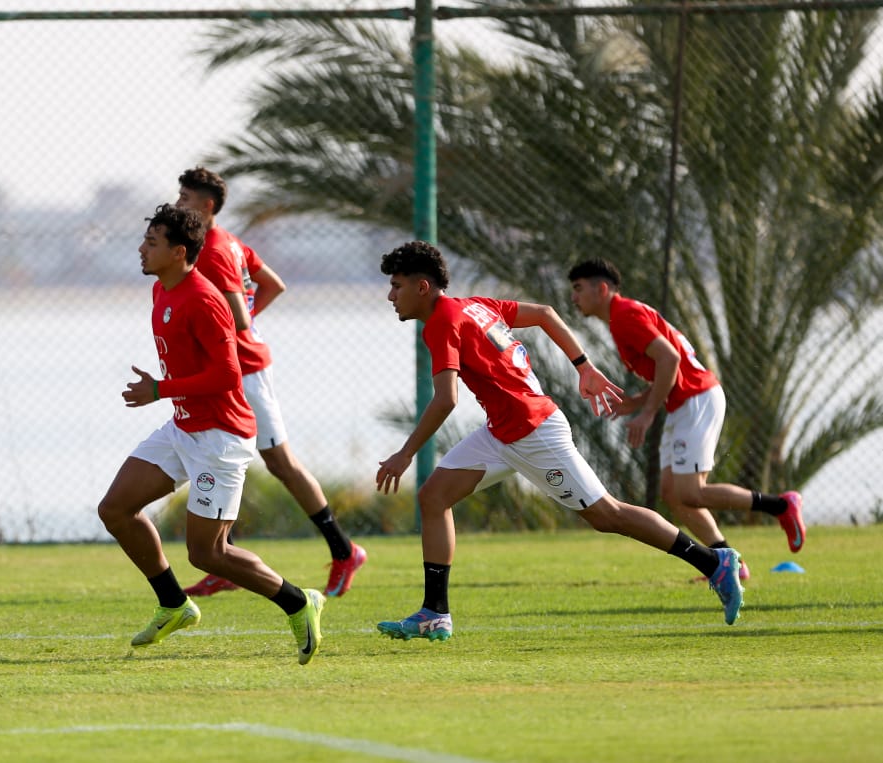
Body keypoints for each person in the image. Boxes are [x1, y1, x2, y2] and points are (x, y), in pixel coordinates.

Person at [374, 241, 745, 642]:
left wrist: (405, 454)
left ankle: (713, 563)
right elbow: (545, 314)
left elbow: (446, 399)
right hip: (503, 431)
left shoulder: (443, 323)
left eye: (396, 286)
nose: (391, 296)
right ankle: (434, 613)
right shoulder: (474, 306)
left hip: (533, 432)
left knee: (608, 516)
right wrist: (583, 367)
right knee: (433, 497)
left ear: (422, 287)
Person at [96, 203, 324, 665]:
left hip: (220, 438)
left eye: (151, 243)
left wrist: (159, 389)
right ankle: (174, 604)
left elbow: (227, 374)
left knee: (207, 553)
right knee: (116, 509)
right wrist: (167, 394)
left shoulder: (203, 299)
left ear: (179, 252)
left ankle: (299, 601)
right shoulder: (162, 289)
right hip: (183, 427)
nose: (141, 249)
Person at [173, 167, 367, 598]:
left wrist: (223, 333)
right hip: (237, 368)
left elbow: (240, 317)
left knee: (281, 463)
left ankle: (344, 550)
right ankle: (222, 558)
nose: (178, 203)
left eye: (185, 198)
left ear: (207, 205)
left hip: (244, 371)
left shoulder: (214, 251)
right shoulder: (228, 242)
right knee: (214, 453)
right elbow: (272, 285)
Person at [566, 258, 805, 575]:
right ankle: (729, 564)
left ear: (602, 289)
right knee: (673, 495)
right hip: (684, 402)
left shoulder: (625, 316)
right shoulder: (622, 316)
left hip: (696, 399)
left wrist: (648, 413)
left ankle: (781, 505)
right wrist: (636, 402)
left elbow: (670, 358)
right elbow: (666, 369)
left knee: (691, 492)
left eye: (578, 288)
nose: (574, 297)